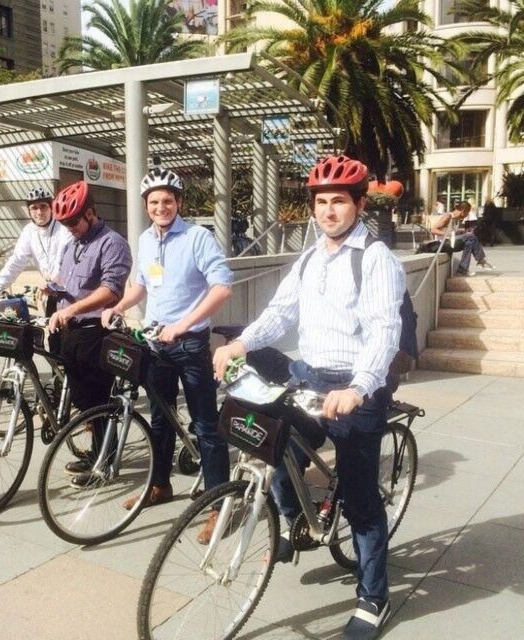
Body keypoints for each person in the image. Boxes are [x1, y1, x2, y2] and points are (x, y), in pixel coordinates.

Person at [213, 154, 405, 640]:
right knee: (270, 443)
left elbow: (385, 330)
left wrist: (359, 388)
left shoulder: (375, 258)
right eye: (321, 202)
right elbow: (279, 314)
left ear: (359, 204)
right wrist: (240, 343)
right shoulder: (309, 257)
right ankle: (293, 519)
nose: (329, 211)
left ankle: (373, 597)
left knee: (361, 499)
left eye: (339, 201)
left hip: (356, 386)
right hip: (309, 375)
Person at [101, 166, 233, 542]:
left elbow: (222, 287)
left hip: (189, 344)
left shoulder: (197, 238)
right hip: (155, 343)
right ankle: (159, 486)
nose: (162, 207)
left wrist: (184, 323)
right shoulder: (145, 239)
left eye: (168, 201)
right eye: (155, 202)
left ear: (179, 203)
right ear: (147, 206)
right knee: (160, 419)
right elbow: (141, 285)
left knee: (206, 426)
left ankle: (218, 505)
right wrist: (117, 305)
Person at [48, 180, 132, 485]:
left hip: (95, 330)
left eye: (73, 221)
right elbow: (68, 282)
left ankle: (104, 465)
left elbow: (111, 290)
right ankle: (97, 451)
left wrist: (73, 309)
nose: (69, 228)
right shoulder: (72, 245)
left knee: (98, 400)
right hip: (71, 331)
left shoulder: (112, 243)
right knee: (83, 400)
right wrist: (53, 288)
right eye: (65, 223)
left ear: (90, 213)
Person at [0, 187, 71, 353]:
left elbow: (63, 261)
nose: (39, 212)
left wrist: (53, 281)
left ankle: (72, 377)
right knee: (53, 336)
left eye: (43, 206)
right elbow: (17, 261)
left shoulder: (63, 228)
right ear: (29, 210)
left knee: (69, 338)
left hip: (69, 291)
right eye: (34, 208)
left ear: (51, 207)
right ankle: (58, 378)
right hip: (51, 293)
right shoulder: (29, 231)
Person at [429, 201, 494, 276]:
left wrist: (461, 232)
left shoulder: (456, 220)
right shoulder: (448, 216)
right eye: (467, 213)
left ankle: (462, 270)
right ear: (463, 211)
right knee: (471, 237)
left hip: (451, 242)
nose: (466, 216)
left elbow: (452, 232)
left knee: (469, 242)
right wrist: (448, 234)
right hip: (443, 243)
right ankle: (481, 260)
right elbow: (433, 229)